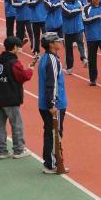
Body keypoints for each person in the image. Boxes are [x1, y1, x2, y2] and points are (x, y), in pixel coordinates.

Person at [0, 36, 34, 159]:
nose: (20, 49)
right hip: (10, 98)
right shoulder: (14, 63)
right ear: (14, 48)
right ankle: (19, 150)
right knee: (16, 124)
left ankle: (2, 151)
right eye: (19, 47)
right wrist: (30, 70)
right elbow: (22, 77)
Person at [37, 33, 68, 174]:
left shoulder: (45, 58)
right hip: (55, 104)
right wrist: (52, 104)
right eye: (57, 41)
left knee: (50, 133)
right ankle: (52, 164)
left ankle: (50, 162)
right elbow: (52, 83)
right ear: (51, 44)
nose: (60, 43)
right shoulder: (52, 60)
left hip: (45, 103)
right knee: (55, 134)